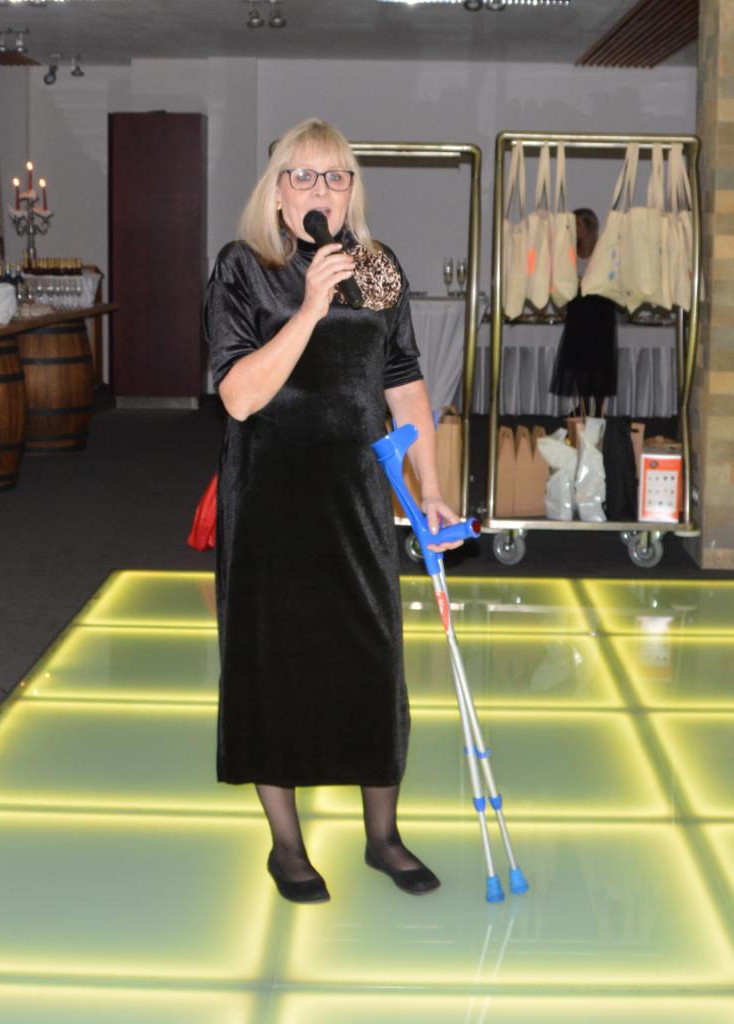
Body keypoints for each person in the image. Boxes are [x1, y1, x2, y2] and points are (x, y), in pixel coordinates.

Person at [204, 118, 460, 905]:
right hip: (270, 494)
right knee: (271, 664)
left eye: (336, 176)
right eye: (304, 175)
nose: (321, 189)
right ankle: (287, 848)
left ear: (352, 190)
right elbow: (237, 396)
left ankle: (382, 838)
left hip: (355, 490)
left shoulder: (376, 268)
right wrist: (310, 306)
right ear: (277, 193)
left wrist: (431, 487)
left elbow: (404, 384)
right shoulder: (244, 267)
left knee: (371, 657)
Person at [549, 207, 618, 410]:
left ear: (589, 227)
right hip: (578, 312)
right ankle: (583, 407)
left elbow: (611, 278)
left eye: (577, 224)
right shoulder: (569, 251)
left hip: (599, 312)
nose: (574, 228)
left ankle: (598, 409)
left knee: (599, 364)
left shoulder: (602, 251)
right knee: (579, 363)